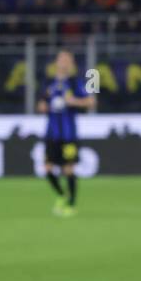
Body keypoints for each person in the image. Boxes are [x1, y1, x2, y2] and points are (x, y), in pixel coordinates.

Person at [37, 50, 95, 217]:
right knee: (48, 169)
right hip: (51, 134)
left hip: (69, 135)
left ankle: (71, 204)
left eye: (67, 60)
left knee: (68, 169)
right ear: (56, 62)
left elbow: (91, 101)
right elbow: (41, 105)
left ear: (71, 64)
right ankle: (62, 195)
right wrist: (44, 107)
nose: (64, 63)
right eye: (61, 59)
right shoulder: (49, 83)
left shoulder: (75, 83)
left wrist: (73, 101)